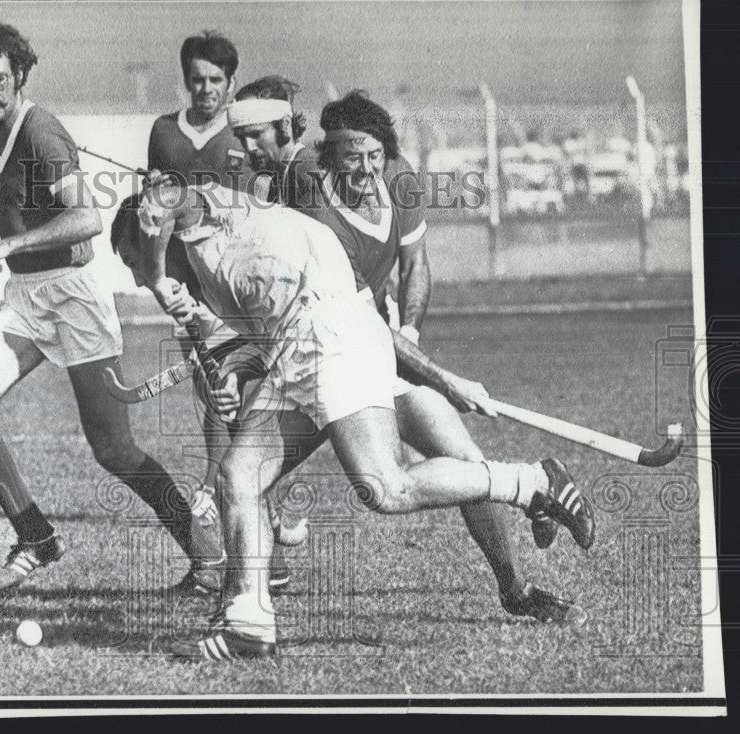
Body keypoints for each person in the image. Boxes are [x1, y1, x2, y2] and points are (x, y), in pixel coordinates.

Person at [110, 180, 595, 660]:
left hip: (329, 334)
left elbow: (164, 197)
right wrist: (234, 372)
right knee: (239, 475)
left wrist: (155, 276)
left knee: (387, 488)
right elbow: (264, 323)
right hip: (299, 346)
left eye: (131, 260)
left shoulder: (199, 215)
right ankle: (248, 624)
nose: (135, 278)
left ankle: (533, 482)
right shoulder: (213, 263)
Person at [226, 83, 583, 624]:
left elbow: (415, 266)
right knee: (246, 476)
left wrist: (413, 342)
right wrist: (443, 379)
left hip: (375, 348)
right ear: (328, 156)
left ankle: (516, 585)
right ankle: (241, 611)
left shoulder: (396, 178)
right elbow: (278, 181)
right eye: (352, 160)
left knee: (462, 463)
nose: (366, 171)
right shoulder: (310, 199)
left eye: (374, 157)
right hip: (334, 353)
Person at [0, 19, 219, 591]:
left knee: (113, 450)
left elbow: (84, 218)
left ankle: (206, 556)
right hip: (28, 300)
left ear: (20, 75)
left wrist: (7, 246)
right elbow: (15, 217)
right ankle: (36, 536)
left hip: (76, 297)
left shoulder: (41, 133)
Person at [145, 32, 290, 592]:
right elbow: (157, 204)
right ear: (186, 79)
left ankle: (262, 551)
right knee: (214, 403)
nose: (205, 89)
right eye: (196, 78)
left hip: (242, 288)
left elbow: (269, 199)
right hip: (190, 288)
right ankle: (254, 554)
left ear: (231, 83)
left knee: (247, 410)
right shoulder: (163, 131)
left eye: (215, 80)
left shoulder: (244, 131)